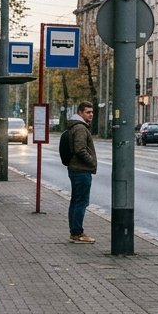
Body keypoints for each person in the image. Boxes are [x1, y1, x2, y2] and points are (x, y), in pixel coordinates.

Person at [63, 101, 98, 244]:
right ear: (80, 113)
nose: (91, 115)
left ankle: (74, 232)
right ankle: (77, 233)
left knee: (76, 201)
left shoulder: (76, 126)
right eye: (88, 112)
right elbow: (80, 149)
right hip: (81, 170)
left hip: (76, 169)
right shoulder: (80, 128)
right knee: (81, 202)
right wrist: (91, 162)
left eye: (92, 112)